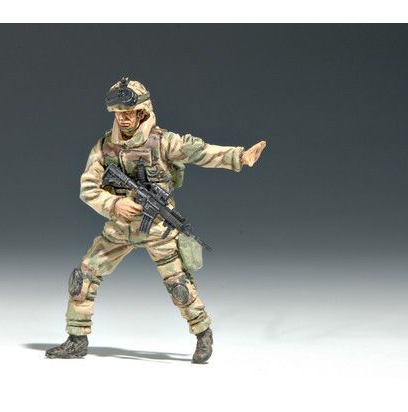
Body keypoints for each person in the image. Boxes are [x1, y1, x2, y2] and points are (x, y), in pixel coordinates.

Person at [46, 77, 266, 363]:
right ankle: (76, 339)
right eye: (118, 113)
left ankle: (203, 333)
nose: (124, 119)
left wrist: (240, 157)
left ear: (143, 112)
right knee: (84, 277)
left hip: (158, 228)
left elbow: (199, 152)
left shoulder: (163, 141)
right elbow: (88, 187)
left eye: (129, 113)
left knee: (178, 284)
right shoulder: (104, 146)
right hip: (119, 227)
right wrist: (114, 203)